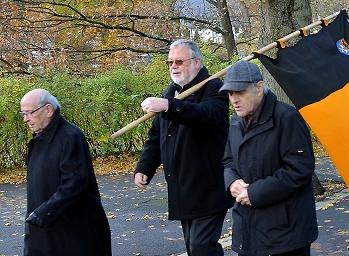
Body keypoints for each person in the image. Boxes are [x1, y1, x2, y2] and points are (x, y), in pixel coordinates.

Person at [133, 39, 232, 255]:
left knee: (201, 247)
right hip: (182, 187)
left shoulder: (214, 87)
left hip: (209, 185)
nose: (173, 67)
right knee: (193, 247)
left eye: (179, 61)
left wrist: (169, 106)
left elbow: (206, 115)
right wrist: (144, 167)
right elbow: (156, 136)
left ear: (197, 63)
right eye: (170, 62)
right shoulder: (171, 92)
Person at [220, 60, 318, 255]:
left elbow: (299, 169)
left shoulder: (287, 117)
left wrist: (255, 193)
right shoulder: (236, 123)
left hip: (286, 232)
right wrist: (232, 182)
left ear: (259, 88)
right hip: (248, 228)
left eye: (239, 92)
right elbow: (228, 161)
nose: (234, 99)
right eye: (230, 93)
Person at [21, 89, 111, 256]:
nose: (26, 119)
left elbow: (74, 183)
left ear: (48, 110)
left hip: (74, 232)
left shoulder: (70, 137)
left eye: (29, 113)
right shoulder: (39, 140)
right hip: (45, 231)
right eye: (23, 114)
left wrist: (43, 213)